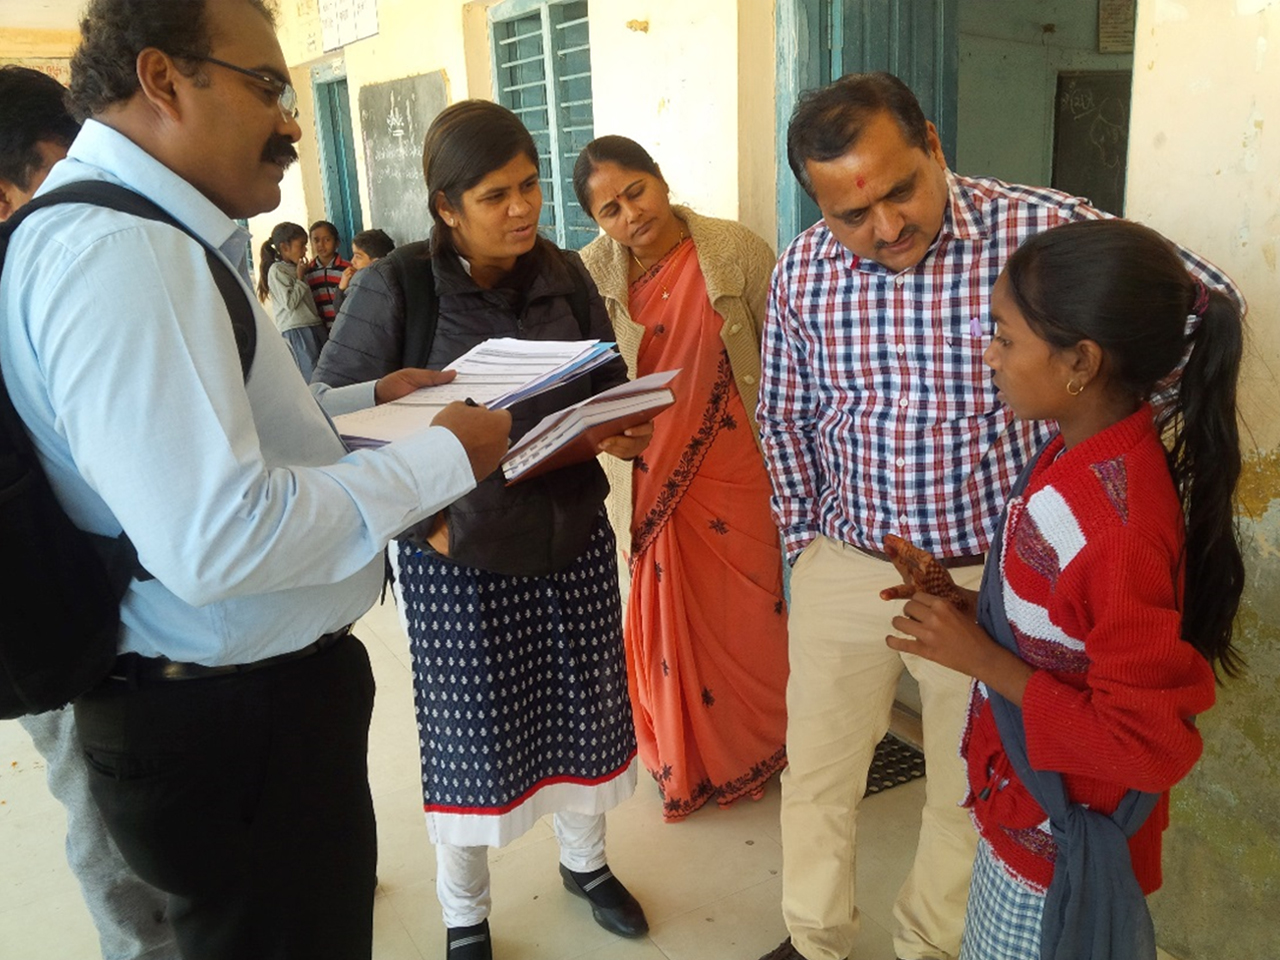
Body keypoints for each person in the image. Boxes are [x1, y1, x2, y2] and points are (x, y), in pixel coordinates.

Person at [0, 2, 511, 958]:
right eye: (268, 87)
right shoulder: (124, 254)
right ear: (163, 79)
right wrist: (446, 459)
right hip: (227, 724)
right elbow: (218, 537)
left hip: (230, 710)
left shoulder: (136, 232)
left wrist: (359, 403)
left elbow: (202, 436)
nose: (290, 122)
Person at [755, 71, 1241, 960]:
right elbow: (783, 416)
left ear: (935, 145)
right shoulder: (802, 270)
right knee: (819, 771)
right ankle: (814, 938)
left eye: (902, 189)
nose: (887, 227)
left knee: (967, 781)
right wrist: (803, 547)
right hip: (848, 561)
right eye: (851, 215)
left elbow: (1207, 307)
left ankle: (928, 944)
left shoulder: (1041, 231)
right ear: (818, 205)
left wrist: (1111, 428)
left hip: (998, 581)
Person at [313, 100, 652, 960]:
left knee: (583, 709)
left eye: (531, 185)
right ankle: (464, 913)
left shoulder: (566, 274)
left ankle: (586, 865)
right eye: (497, 194)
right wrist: (428, 524)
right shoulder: (398, 288)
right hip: (455, 552)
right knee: (471, 736)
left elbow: (604, 374)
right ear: (445, 207)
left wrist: (617, 425)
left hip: (568, 534)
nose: (523, 208)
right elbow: (333, 424)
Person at [884, 217, 1242, 959]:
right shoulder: (1074, 456)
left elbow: (1147, 745)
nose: (989, 356)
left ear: (1080, 361)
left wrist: (982, 661)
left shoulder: (1114, 527)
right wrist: (960, 605)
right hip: (1022, 799)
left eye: (1005, 338)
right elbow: (1062, 629)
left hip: (1058, 844)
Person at [0, 63, 179, 960]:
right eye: (66, 165)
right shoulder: (41, 269)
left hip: (121, 610)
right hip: (55, 628)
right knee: (106, 815)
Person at [573, 135, 789, 822]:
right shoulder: (590, 277)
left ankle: (758, 745)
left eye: (636, 192)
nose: (630, 214)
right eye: (609, 209)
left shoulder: (736, 250)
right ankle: (686, 760)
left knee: (752, 614)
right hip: (650, 476)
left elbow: (789, 354)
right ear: (596, 222)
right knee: (668, 622)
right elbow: (580, 377)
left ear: (661, 181)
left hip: (740, 469)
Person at [257, 220, 327, 378]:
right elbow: (289, 303)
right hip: (297, 330)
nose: (305, 250)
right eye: (301, 245)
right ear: (284, 247)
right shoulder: (277, 270)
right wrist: (300, 278)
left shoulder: (297, 268)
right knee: (310, 375)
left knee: (324, 371)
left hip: (313, 324)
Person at [332, 225, 394, 315]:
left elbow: (344, 314)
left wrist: (341, 290)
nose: (352, 261)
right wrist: (342, 288)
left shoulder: (372, 288)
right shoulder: (359, 282)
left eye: (358, 256)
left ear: (375, 261)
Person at [304, 217, 350, 329]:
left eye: (327, 240)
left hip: (346, 325)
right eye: (316, 240)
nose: (321, 244)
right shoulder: (308, 272)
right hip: (320, 328)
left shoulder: (347, 269)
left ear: (337, 242)